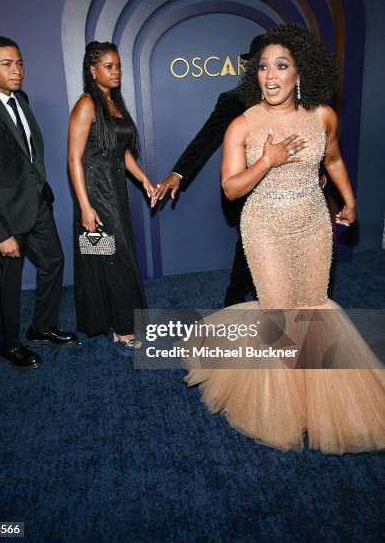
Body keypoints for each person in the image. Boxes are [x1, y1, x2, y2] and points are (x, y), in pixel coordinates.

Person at [185, 23, 385, 454]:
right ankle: (283, 406)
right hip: (264, 226)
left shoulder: (321, 116)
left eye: (281, 66)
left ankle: (317, 398)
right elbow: (231, 188)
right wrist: (269, 161)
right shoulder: (243, 124)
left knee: (312, 309)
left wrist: (349, 201)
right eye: (263, 68)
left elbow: (332, 159)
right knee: (277, 312)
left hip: (314, 220)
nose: (270, 76)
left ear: (300, 73)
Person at [0, 36, 77, 371]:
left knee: (54, 261)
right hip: (3, 217)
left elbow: (27, 153)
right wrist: (0, 233)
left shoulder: (20, 99)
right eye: (7, 64)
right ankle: (9, 345)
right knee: (8, 283)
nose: (17, 70)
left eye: (19, 63)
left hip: (36, 205)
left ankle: (41, 327)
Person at [152, 36, 265, 305]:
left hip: (286, 192)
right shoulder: (234, 100)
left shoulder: (297, 100)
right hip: (246, 190)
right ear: (252, 67)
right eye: (262, 65)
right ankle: (235, 301)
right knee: (253, 245)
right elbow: (206, 138)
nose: (270, 72)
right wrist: (178, 173)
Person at [68, 41, 154, 349]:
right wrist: (84, 206)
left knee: (114, 256)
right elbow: (74, 159)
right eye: (109, 66)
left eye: (117, 66)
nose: (116, 72)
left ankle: (118, 323)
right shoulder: (86, 104)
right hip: (96, 192)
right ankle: (123, 327)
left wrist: (143, 179)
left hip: (116, 191)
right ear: (93, 71)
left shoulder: (113, 103)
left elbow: (121, 152)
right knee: (113, 257)